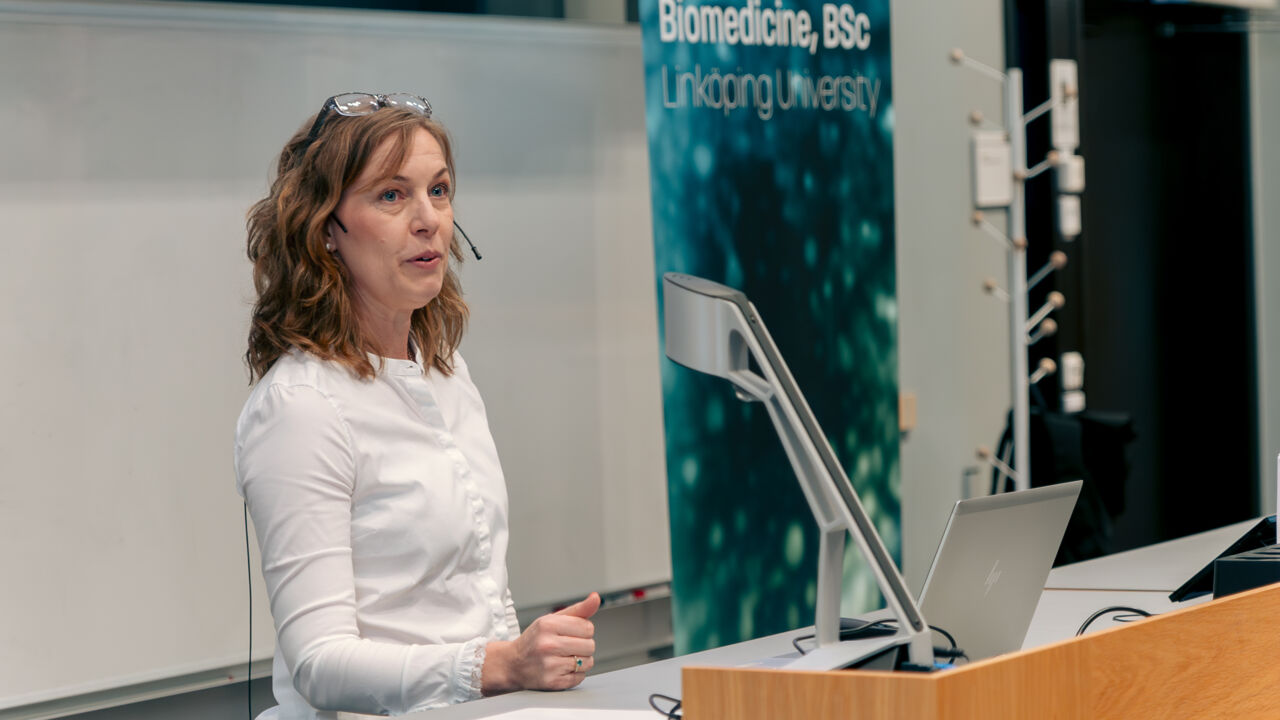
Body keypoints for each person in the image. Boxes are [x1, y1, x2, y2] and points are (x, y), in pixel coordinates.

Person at [235, 92, 599, 718]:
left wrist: (528, 665)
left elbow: (484, 591)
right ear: (326, 229)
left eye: (439, 190)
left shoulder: (447, 373)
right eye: (392, 195)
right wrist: (499, 666)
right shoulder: (301, 408)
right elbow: (320, 662)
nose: (429, 219)